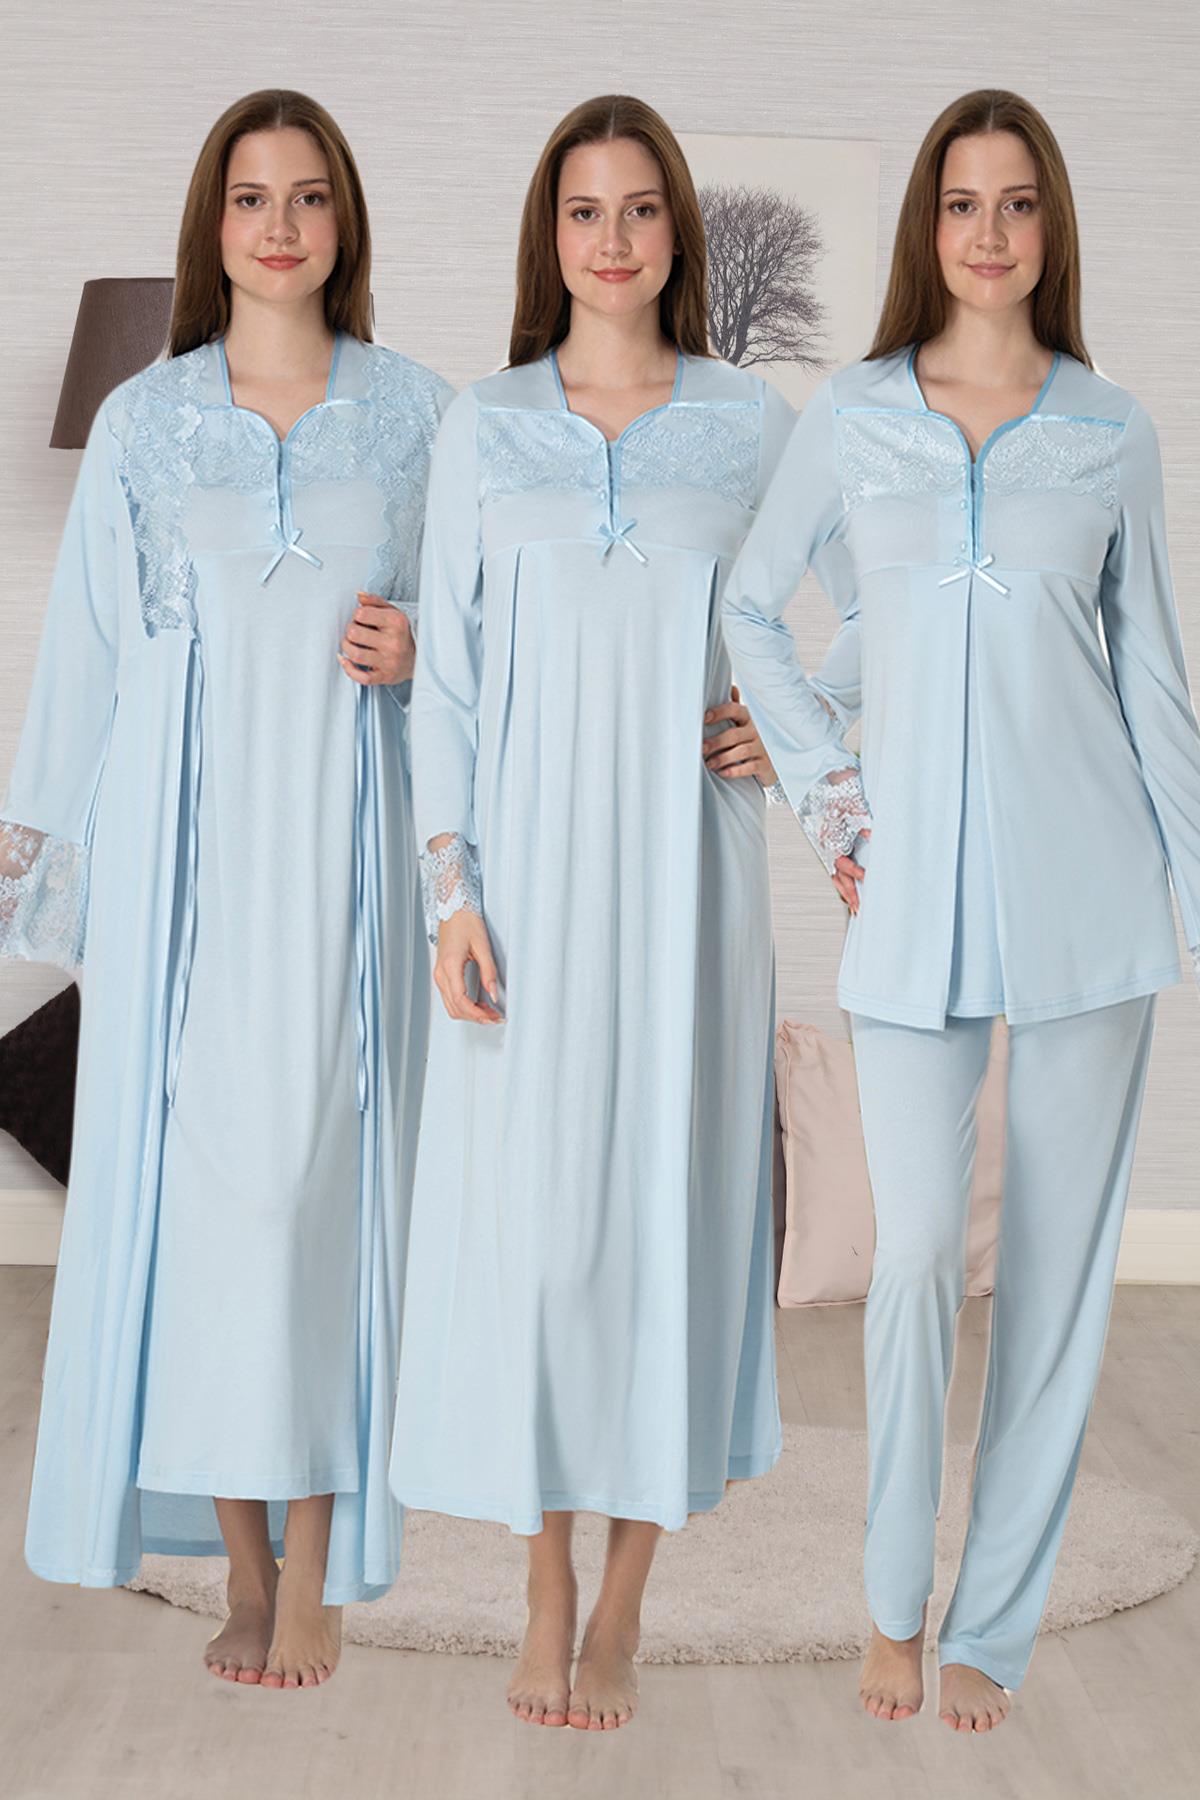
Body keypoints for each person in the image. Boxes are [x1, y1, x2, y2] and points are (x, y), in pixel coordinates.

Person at [720, 87, 1200, 1733]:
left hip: (1093, 898)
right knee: (919, 1250)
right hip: (910, 899)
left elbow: (1157, 684)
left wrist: (1194, 895)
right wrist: (829, 798)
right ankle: (889, 1602)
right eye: (962, 203)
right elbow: (753, 609)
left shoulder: (1113, 429)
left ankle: (991, 1624)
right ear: (927, 228)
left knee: (1055, 1284)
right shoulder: (855, 417)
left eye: (1017, 203)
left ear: (1051, 227)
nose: (990, 233)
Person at [0, 89, 453, 1689]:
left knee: (318, 1203)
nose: (280, 225)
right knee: (204, 1217)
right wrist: (37, 848)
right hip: (184, 869)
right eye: (251, 197)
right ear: (213, 223)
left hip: (347, 858)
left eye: (308, 195)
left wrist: (428, 649)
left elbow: (487, 623)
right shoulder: (146, 420)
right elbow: (89, 651)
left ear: (345, 221)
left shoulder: (421, 416)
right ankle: (247, 1573)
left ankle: (318, 1568)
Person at [389, 94, 789, 1732]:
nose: (611, 240)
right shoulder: (483, 426)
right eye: (582, 212)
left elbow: (872, 605)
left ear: (673, 230)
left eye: (637, 210)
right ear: (546, 239)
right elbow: (446, 686)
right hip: (528, 892)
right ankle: (543, 1575)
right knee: (543, 1243)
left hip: (694, 886)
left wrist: (802, 721)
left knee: (663, 1233)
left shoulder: (753, 425)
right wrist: (451, 894)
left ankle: (624, 1596)